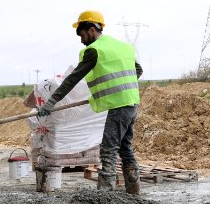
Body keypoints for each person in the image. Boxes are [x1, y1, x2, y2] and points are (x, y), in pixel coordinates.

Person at [37, 10, 143, 194]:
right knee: (125, 148)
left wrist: (51, 102)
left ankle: (105, 195)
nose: (81, 39)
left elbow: (72, 79)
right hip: (132, 103)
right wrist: (117, 89)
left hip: (119, 107)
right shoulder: (121, 47)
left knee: (108, 149)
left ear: (92, 29)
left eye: (81, 33)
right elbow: (138, 70)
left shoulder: (94, 50)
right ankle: (134, 190)